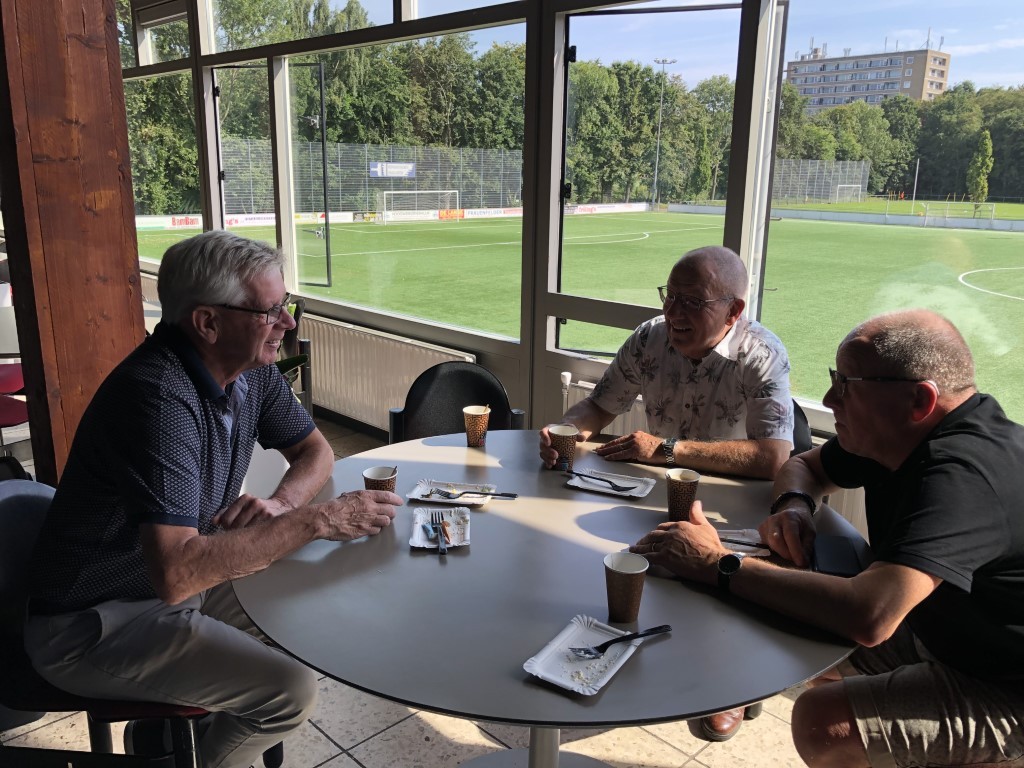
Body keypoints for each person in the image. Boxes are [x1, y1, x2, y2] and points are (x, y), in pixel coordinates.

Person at [24, 231, 401, 768]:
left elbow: (315, 451)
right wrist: (317, 521)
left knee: (308, 615)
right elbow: (177, 574)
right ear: (207, 322)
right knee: (288, 691)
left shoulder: (250, 370)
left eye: (287, 305)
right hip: (93, 623)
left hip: (169, 587)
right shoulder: (157, 398)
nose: (287, 323)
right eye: (270, 311)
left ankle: (169, 744)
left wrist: (285, 506)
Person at [631, 309, 1024, 764]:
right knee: (804, 644)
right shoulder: (897, 434)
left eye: (847, 385)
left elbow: (870, 615)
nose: (829, 398)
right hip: (945, 630)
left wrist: (715, 563)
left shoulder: (963, 477)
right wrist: (794, 506)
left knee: (823, 722)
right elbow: (803, 465)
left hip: (1005, 681)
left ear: (919, 399)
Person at [539, 245, 794, 481]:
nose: (672, 313)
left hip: (729, 498)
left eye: (693, 302)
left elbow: (773, 458)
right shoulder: (649, 338)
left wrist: (667, 449)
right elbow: (599, 406)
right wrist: (567, 429)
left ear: (733, 312)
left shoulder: (762, 356)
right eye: (670, 296)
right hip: (659, 488)